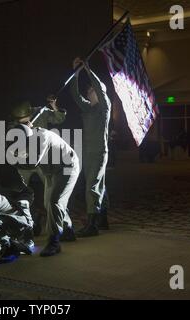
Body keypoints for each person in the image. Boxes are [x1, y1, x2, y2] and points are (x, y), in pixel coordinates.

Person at [11, 124, 80, 257]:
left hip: (67, 167)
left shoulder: (42, 137)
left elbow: (32, 163)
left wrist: (12, 159)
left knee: (55, 201)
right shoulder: (25, 138)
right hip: (51, 171)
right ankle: (68, 230)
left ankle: (54, 242)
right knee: (48, 202)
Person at [10, 97, 67, 236]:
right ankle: (28, 222)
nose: (23, 121)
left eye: (25, 119)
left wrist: (54, 106)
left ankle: (63, 223)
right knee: (18, 191)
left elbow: (59, 119)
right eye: (20, 121)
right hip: (24, 162)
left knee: (54, 191)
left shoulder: (41, 112)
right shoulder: (13, 123)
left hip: (42, 159)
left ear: (30, 112)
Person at [70, 57, 111, 237]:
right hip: (88, 152)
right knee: (98, 184)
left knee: (92, 186)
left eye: (92, 90)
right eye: (88, 90)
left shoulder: (104, 106)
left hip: (98, 151)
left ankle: (92, 225)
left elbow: (100, 88)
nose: (89, 92)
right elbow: (74, 94)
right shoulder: (88, 108)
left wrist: (87, 69)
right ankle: (102, 219)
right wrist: (76, 73)